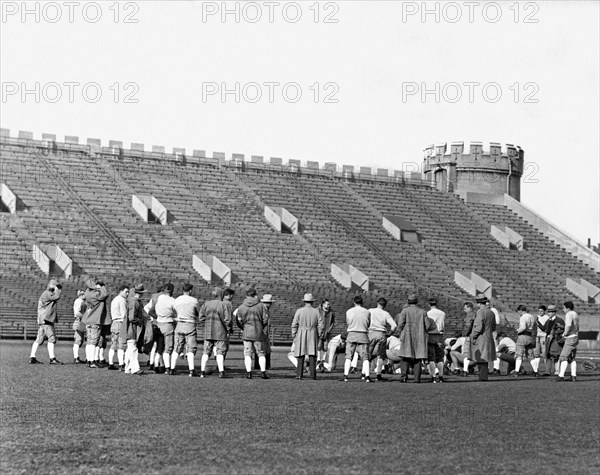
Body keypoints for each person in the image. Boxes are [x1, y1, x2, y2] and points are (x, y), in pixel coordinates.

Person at [395, 294, 434, 383]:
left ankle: (404, 376)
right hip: (419, 336)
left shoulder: (405, 311)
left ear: (408, 301)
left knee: (405, 356)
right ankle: (417, 378)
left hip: (407, 336)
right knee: (418, 357)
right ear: (417, 302)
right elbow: (427, 325)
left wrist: (399, 332)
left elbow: (400, 324)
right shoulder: (423, 312)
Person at [236, 288, 269, 379]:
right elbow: (265, 320)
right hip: (258, 332)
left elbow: (239, 320)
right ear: (255, 295)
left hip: (246, 332)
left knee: (247, 353)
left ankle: (249, 373)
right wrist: (260, 327)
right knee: (261, 353)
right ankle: (263, 373)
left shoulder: (241, 307)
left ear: (246, 296)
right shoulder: (261, 306)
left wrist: (244, 327)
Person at [199, 287, 232, 378]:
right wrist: (228, 328)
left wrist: (207, 324)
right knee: (220, 352)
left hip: (208, 332)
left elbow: (201, 317)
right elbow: (228, 320)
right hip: (220, 332)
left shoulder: (206, 304)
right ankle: (221, 372)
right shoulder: (224, 304)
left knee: (206, 352)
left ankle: (202, 372)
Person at [291, 293, 324, 380]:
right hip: (312, 333)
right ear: (312, 302)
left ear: (305, 301)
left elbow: (294, 324)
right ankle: (313, 375)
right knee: (312, 354)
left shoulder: (299, 311)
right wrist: (319, 334)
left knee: (300, 355)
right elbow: (321, 324)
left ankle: (299, 374)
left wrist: (294, 335)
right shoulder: (316, 311)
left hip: (301, 332)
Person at [145, 283, 177, 374]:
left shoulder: (158, 298)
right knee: (168, 348)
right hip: (168, 324)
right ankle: (168, 368)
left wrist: (158, 318)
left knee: (159, 347)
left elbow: (150, 311)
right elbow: (176, 313)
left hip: (158, 324)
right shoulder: (173, 301)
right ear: (172, 290)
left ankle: (156, 365)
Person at [29, 279, 63, 365]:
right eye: (56, 286)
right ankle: (52, 359)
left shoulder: (46, 293)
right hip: (46, 319)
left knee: (39, 339)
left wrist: (56, 289)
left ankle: (32, 357)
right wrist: (56, 289)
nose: (57, 288)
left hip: (43, 320)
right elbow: (56, 297)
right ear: (51, 285)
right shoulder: (47, 293)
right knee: (51, 338)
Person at [171, 283, 201, 377]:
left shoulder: (177, 300)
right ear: (190, 290)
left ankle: (172, 368)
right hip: (190, 324)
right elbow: (198, 312)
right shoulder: (194, 301)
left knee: (177, 347)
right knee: (191, 347)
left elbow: (174, 311)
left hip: (179, 324)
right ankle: (191, 370)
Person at [343, 295, 371, 382]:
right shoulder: (367, 312)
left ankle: (345, 376)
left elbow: (348, 322)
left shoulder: (349, 311)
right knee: (365, 357)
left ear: (354, 302)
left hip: (352, 333)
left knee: (348, 356)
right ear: (362, 302)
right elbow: (368, 323)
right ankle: (367, 376)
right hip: (363, 334)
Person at [368, 297, 397, 381]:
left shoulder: (370, 311)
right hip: (382, 334)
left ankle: (365, 373)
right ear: (385, 305)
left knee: (368, 354)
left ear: (377, 303)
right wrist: (390, 333)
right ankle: (378, 374)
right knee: (381, 355)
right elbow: (394, 325)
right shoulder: (386, 313)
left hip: (371, 333)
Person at [469, 295, 497, 381]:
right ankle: (483, 376)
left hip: (481, 337)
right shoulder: (491, 312)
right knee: (485, 359)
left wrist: (473, 336)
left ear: (479, 304)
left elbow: (478, 326)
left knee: (481, 358)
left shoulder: (480, 312)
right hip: (489, 336)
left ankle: (482, 377)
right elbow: (494, 326)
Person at [121, 284, 147, 375]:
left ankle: (127, 368)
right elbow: (132, 318)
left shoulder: (133, 301)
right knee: (133, 349)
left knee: (130, 349)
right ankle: (135, 368)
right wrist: (140, 321)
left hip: (131, 327)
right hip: (132, 327)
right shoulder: (135, 302)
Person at [83, 279, 109, 369]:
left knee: (89, 341)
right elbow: (105, 294)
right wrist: (101, 287)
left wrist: (93, 287)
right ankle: (92, 361)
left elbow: (88, 290)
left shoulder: (88, 294)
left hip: (88, 320)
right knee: (94, 342)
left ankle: (89, 360)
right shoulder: (97, 295)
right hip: (96, 320)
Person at [554, 301, 579, 382]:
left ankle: (561, 376)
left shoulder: (568, 314)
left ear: (568, 308)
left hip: (570, 337)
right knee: (572, 357)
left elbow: (568, 325)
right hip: (575, 336)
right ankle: (573, 376)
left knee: (563, 357)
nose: (563, 310)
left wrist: (564, 334)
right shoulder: (575, 313)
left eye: (564, 308)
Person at [108, 284, 129, 370]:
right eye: (126, 291)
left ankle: (111, 363)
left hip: (114, 322)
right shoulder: (122, 300)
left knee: (114, 344)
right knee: (121, 344)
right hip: (120, 323)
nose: (127, 294)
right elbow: (124, 314)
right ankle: (121, 364)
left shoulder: (114, 299)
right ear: (121, 291)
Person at [514, 305, 538, 377]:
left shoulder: (523, 317)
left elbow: (523, 327)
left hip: (523, 335)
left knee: (519, 354)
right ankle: (536, 371)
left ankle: (516, 371)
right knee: (530, 355)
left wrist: (518, 331)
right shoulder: (532, 316)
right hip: (530, 336)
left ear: (520, 310)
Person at [426, 298, 445, 383]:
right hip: (440, 335)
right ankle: (441, 376)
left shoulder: (428, 314)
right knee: (440, 357)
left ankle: (433, 376)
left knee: (431, 357)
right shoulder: (442, 313)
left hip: (431, 335)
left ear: (429, 304)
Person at [541, 305, 564, 375]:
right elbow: (544, 328)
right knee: (547, 355)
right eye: (549, 312)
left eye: (551, 312)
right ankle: (547, 371)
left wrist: (555, 333)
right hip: (548, 338)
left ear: (554, 312)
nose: (549, 313)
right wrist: (538, 323)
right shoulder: (548, 320)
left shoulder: (559, 320)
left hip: (555, 339)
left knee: (556, 355)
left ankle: (557, 371)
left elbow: (563, 329)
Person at [317, 300, 336, 371]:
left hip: (327, 331)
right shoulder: (317, 311)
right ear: (323, 304)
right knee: (318, 345)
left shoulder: (331, 312)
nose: (328, 305)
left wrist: (329, 330)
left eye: (329, 304)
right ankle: (318, 360)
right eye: (327, 304)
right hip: (319, 331)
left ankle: (323, 360)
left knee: (325, 346)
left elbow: (333, 322)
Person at [258, 294, 275, 370]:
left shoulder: (267, 310)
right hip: (262, 333)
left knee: (266, 349)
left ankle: (265, 365)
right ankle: (262, 365)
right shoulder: (262, 310)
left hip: (265, 332)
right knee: (262, 350)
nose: (269, 304)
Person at [460, 302, 476, 376]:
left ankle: (465, 370)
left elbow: (468, 325)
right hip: (475, 336)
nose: (464, 310)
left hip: (470, 336)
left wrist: (466, 333)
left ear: (469, 308)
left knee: (467, 353)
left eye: (465, 308)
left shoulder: (470, 314)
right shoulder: (475, 314)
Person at [534, 305, 550, 375]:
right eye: (539, 311)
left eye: (542, 311)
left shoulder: (546, 318)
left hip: (543, 336)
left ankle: (547, 370)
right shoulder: (537, 317)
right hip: (537, 336)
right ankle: (536, 369)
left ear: (544, 311)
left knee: (544, 353)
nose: (540, 312)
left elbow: (545, 327)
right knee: (536, 353)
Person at [72, 290, 87, 364]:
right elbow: (77, 313)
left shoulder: (82, 301)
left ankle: (77, 357)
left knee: (81, 340)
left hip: (81, 321)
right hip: (80, 321)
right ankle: (76, 357)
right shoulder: (79, 301)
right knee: (78, 339)